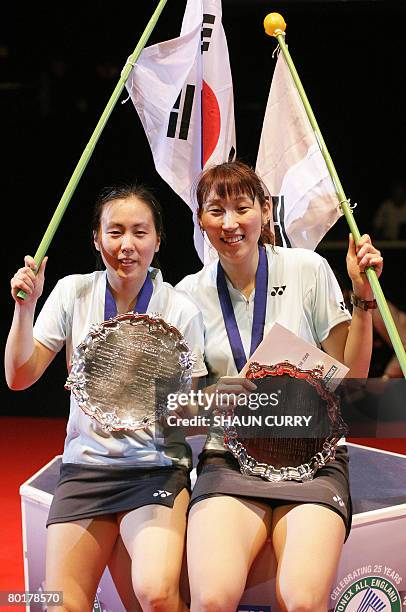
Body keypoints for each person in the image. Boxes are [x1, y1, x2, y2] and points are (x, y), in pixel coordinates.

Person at [176, 161, 383, 612]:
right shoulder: (187, 294)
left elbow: (355, 380)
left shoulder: (308, 269)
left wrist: (362, 298)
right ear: (200, 220)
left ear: (265, 211)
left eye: (242, 207)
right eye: (216, 211)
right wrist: (209, 400)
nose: (229, 223)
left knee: (302, 600)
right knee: (211, 600)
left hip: (313, 458)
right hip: (228, 460)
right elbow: (179, 416)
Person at [5, 183, 207, 612]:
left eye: (139, 232)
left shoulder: (180, 310)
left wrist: (154, 401)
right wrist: (25, 309)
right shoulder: (71, 292)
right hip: (86, 470)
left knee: (154, 592)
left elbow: (191, 414)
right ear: (97, 239)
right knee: (58, 604)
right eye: (115, 232)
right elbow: (19, 377)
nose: (127, 245)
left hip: (154, 471)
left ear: (157, 240)